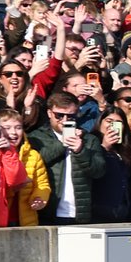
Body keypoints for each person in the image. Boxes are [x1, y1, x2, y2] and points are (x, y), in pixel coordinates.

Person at [27, 90, 107, 224]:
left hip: (80, 214)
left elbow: (99, 171)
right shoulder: (36, 137)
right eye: (59, 115)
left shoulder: (89, 139)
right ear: (49, 113)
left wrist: (81, 150)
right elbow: (36, 163)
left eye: (71, 116)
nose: (65, 120)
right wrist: (63, 143)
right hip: (47, 213)